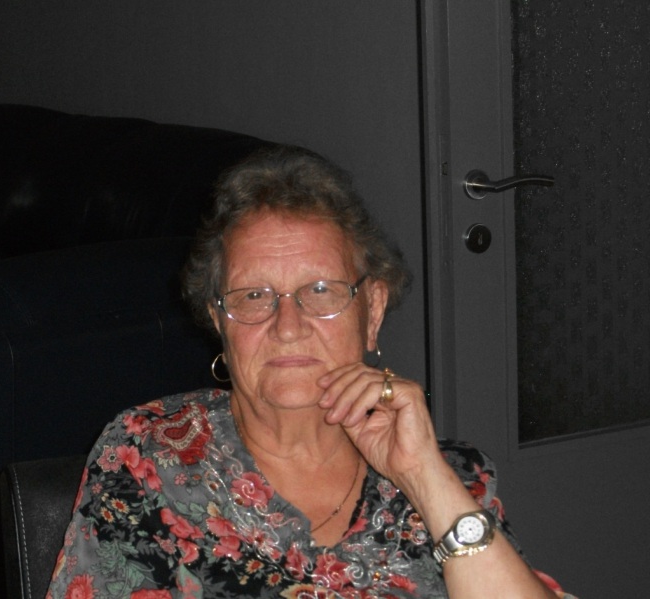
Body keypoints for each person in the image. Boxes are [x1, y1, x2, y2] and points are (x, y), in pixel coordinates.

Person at [47, 147, 574, 598]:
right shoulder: (149, 458)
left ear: (372, 311)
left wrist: (424, 477)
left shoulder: (452, 474)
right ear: (220, 323)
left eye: (320, 290)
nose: (288, 326)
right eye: (254, 296)